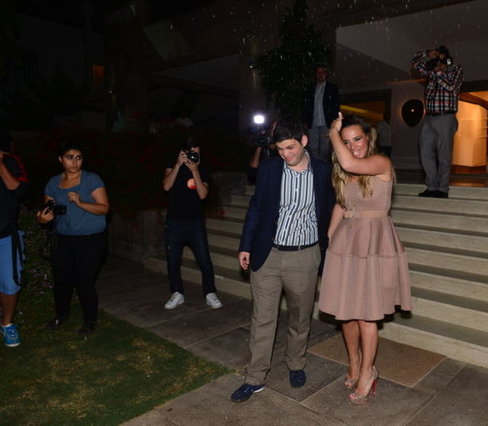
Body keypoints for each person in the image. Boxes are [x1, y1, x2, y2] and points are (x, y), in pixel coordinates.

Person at [231, 117, 334, 403]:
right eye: (279, 149)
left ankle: (296, 362)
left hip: (305, 256)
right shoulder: (269, 168)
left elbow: (330, 210)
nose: (285, 154)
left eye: (290, 148)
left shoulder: (323, 171)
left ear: (304, 141)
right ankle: (254, 377)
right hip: (269, 254)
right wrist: (246, 245)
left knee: (300, 317)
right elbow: (256, 207)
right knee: (262, 318)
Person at [318, 113, 412, 405]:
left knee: (367, 315)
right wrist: (330, 238)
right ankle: (354, 363)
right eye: (346, 141)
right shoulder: (344, 171)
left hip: (374, 243)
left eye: (357, 139)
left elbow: (348, 162)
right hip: (347, 243)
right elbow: (342, 204)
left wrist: (333, 134)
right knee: (346, 313)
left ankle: (369, 371)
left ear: (368, 138)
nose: (353, 146)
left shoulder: (381, 163)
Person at [36, 140, 109, 334]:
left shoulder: (91, 179)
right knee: (62, 280)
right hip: (64, 238)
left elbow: (104, 208)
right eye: (70, 157)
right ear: (61, 159)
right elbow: (47, 210)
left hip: (91, 238)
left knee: (84, 280)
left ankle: (90, 320)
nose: (75, 162)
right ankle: (61, 316)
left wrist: (81, 203)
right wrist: (43, 219)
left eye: (78, 158)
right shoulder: (53, 183)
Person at [162, 138, 221, 310]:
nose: (195, 156)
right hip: (174, 222)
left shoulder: (202, 168)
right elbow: (166, 186)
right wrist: (178, 165)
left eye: (198, 153)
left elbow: (203, 195)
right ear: (184, 152)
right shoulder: (173, 164)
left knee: (204, 260)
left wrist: (195, 171)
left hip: (195, 222)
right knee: (173, 260)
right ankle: (177, 292)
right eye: (192, 153)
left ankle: (210, 293)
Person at [411, 45, 463, 198]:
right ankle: (432, 186)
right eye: (436, 58)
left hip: (446, 117)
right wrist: (427, 53)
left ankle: (442, 188)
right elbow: (414, 62)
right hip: (429, 117)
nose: (437, 62)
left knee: (443, 154)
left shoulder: (455, 70)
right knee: (425, 151)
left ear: (447, 59)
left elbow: (452, 87)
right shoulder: (431, 71)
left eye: (440, 58)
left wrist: (439, 72)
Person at [0, 132, 28, 347]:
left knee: (10, 283)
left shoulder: (11, 161)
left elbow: (18, 190)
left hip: (5, 236)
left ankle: (7, 324)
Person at [303, 65, 340, 163]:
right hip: (313, 122)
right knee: (313, 147)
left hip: (326, 122)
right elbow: (307, 105)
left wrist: (335, 121)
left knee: (325, 148)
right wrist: (306, 120)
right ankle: (316, 165)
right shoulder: (311, 88)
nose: (320, 75)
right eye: (318, 73)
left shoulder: (332, 88)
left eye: (322, 72)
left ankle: (323, 165)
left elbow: (335, 105)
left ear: (326, 74)